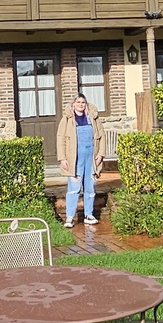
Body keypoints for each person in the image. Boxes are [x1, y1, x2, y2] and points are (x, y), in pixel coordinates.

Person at [57, 92, 104, 228]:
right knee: (74, 188)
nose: (81, 105)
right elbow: (60, 139)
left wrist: (100, 154)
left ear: (86, 104)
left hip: (91, 158)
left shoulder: (93, 118)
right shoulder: (67, 119)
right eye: (78, 102)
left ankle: (89, 215)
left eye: (83, 102)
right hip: (74, 159)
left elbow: (101, 136)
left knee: (90, 186)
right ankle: (70, 217)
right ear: (73, 104)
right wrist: (62, 158)